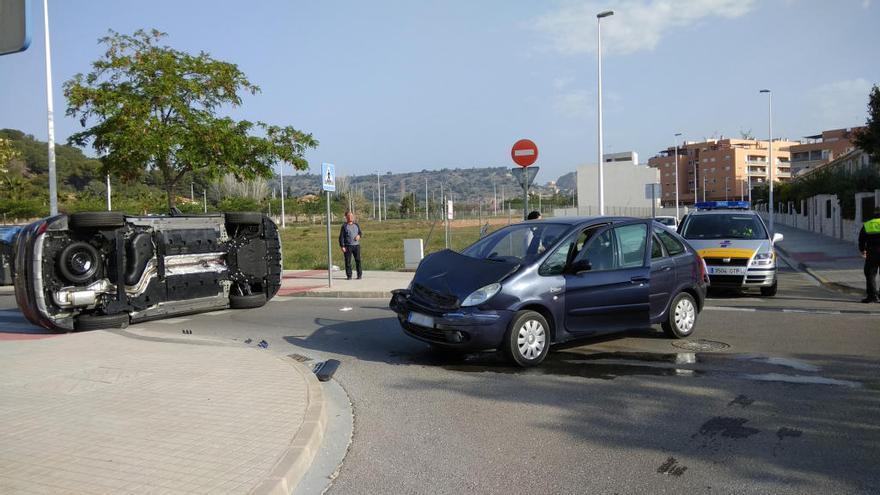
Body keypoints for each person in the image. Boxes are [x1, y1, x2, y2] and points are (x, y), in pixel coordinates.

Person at [858, 206, 880, 303]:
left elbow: (861, 239)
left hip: (872, 252)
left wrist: (862, 250)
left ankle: (872, 296)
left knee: (870, 274)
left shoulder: (868, 224)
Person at [338, 211, 363, 280]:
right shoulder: (344, 226)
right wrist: (342, 246)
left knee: (358, 260)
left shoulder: (356, 225)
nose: (350, 217)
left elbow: (360, 233)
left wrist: (359, 236)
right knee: (348, 261)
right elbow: (341, 237)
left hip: (356, 246)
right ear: (346, 217)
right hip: (348, 246)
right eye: (348, 216)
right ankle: (349, 276)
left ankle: (359, 275)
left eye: (351, 216)